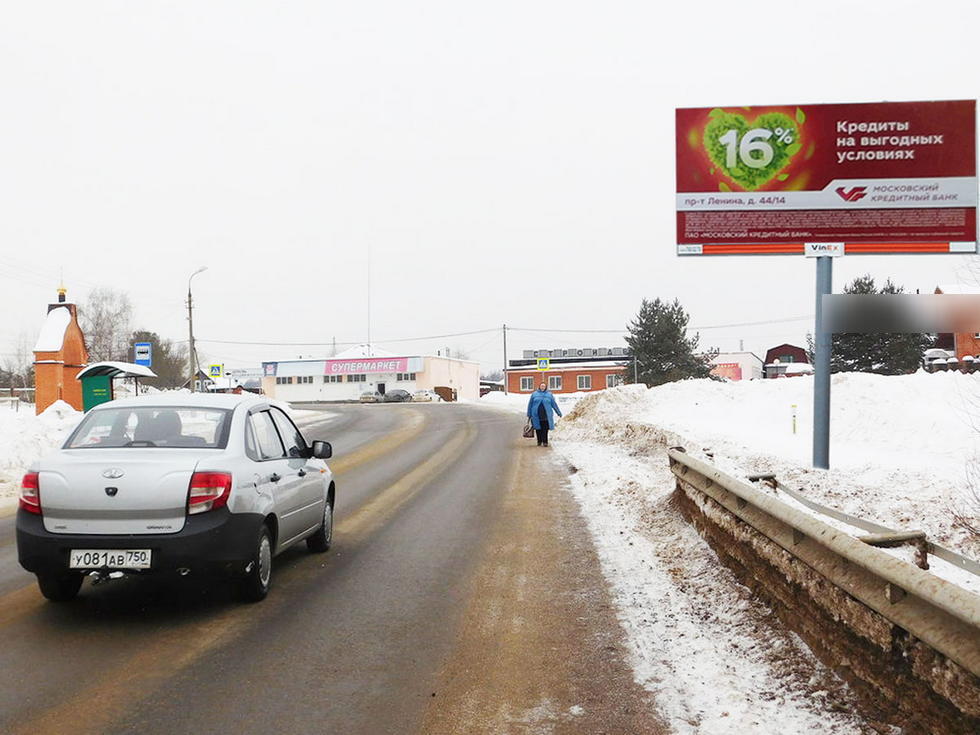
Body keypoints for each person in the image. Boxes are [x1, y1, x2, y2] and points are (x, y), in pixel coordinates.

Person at [527, 381, 562, 446]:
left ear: (546, 387)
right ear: (539, 387)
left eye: (544, 386)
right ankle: (539, 441)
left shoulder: (549, 394)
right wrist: (529, 414)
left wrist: (558, 412)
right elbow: (530, 404)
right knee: (538, 428)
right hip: (536, 414)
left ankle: (545, 442)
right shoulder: (534, 394)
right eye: (541, 386)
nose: (542, 387)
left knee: (545, 428)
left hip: (546, 415)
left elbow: (554, 404)